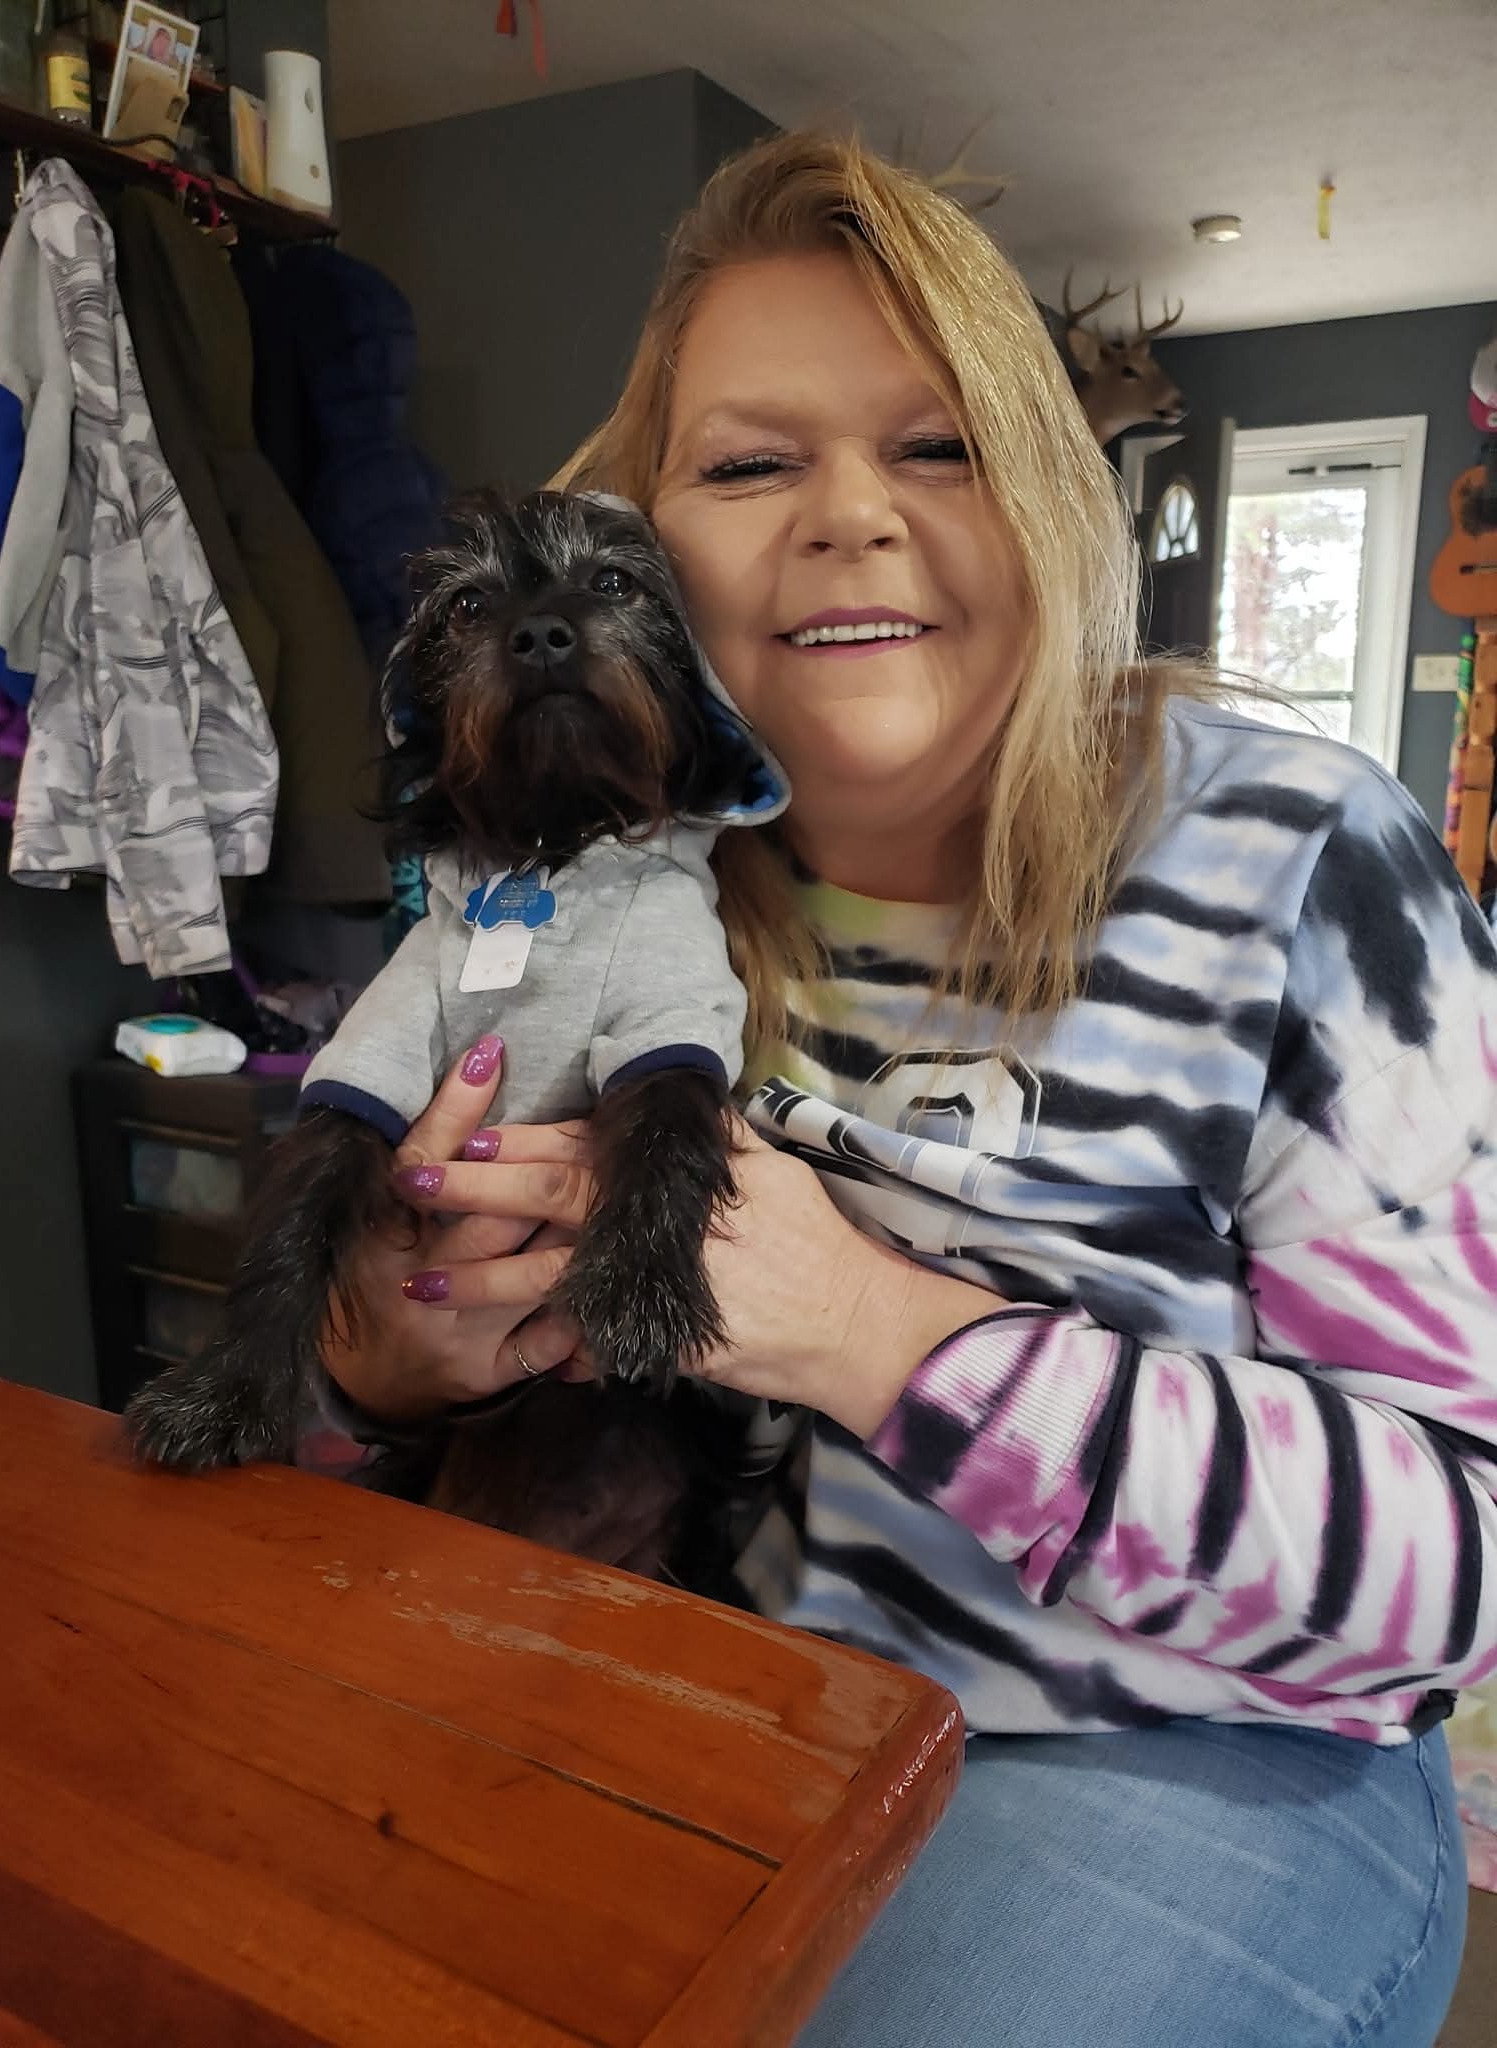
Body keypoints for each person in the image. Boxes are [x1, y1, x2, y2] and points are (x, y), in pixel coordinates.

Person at [323, 133, 1484, 2045]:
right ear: (640, 546)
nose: (852, 516)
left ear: (1045, 498)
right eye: (749, 465)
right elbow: (408, 1351)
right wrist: (397, 1354)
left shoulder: (1303, 865)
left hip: (1191, 1737)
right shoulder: (599, 869)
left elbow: (1459, 1560)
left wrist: (873, 1329)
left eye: (939, 447)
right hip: (732, 1677)